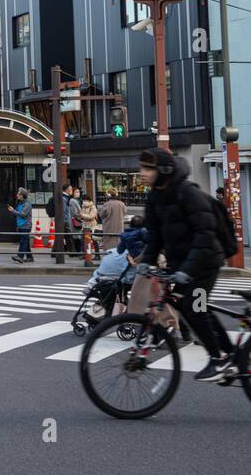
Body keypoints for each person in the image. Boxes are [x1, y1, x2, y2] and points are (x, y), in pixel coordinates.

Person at [136, 148, 236, 381]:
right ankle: (229, 354)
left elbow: (205, 234)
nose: (141, 173)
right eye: (141, 167)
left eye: (147, 168)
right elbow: (155, 235)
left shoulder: (188, 193)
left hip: (205, 262)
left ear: (163, 170)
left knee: (194, 306)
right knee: (191, 307)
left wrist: (187, 271)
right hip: (180, 264)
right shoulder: (154, 197)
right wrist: (147, 262)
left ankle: (218, 359)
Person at [8, 187, 33, 263]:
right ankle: (30, 257)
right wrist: (13, 210)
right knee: (26, 241)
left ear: (22, 195)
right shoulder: (20, 203)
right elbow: (18, 212)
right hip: (21, 225)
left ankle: (20, 256)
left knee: (23, 241)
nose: (16, 195)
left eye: (18, 194)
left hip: (26, 225)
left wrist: (13, 211)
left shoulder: (27, 204)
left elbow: (23, 214)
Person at [98, 188, 125, 255]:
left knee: (108, 246)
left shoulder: (107, 204)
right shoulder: (122, 204)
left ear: (108, 195)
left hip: (109, 228)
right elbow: (125, 212)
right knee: (118, 244)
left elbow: (101, 215)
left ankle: (109, 260)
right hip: (119, 228)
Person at [60, 182, 82, 260]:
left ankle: (56, 251)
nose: (72, 191)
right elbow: (65, 210)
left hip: (66, 220)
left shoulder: (68, 198)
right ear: (67, 190)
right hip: (66, 220)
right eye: (72, 189)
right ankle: (72, 252)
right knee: (69, 236)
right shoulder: (65, 198)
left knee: (65, 236)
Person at [78, 187, 100, 259]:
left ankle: (97, 255)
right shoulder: (83, 207)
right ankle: (84, 254)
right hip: (84, 226)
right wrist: (80, 216)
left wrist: (82, 215)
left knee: (94, 241)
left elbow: (91, 216)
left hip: (92, 226)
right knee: (83, 241)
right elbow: (82, 215)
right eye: (83, 200)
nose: (84, 201)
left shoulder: (93, 207)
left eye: (85, 200)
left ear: (88, 200)